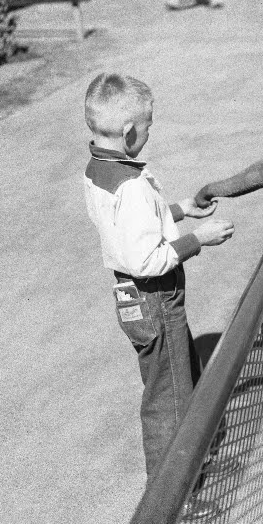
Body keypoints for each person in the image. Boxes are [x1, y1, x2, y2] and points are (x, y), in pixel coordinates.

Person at [82, 73, 234, 483]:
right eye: (149, 124)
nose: (151, 130)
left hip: (136, 299)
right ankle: (170, 492)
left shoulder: (100, 168)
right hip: (155, 297)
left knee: (181, 378)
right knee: (169, 400)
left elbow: (132, 226)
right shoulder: (129, 185)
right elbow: (147, 259)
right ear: (131, 130)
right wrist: (198, 239)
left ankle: (191, 467)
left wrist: (180, 209)